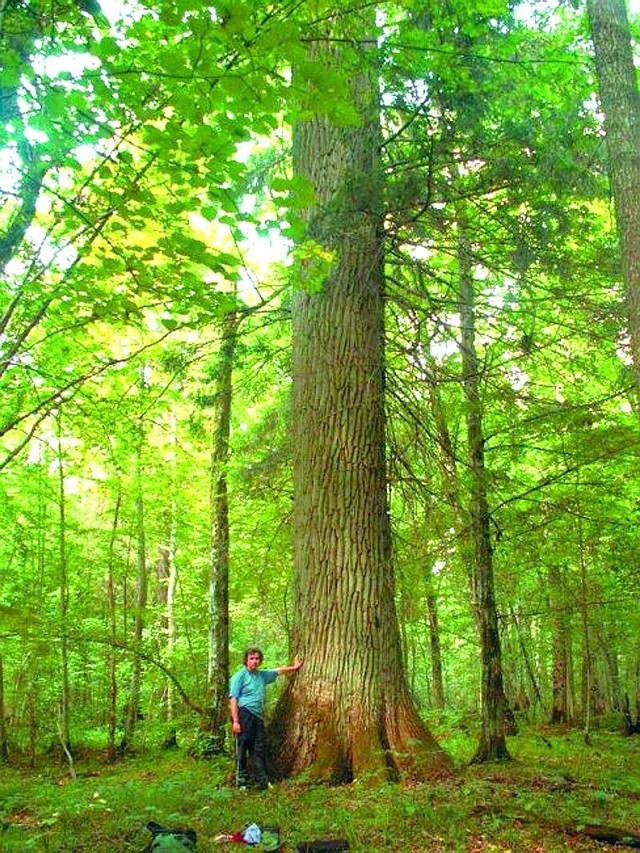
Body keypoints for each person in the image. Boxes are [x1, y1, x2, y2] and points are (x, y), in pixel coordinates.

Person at [229, 646, 303, 790]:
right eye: (251, 658)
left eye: (257, 658)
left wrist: (294, 668)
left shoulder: (262, 675)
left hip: (258, 717)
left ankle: (263, 781)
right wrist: (236, 721)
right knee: (242, 746)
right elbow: (233, 700)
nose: (254, 661)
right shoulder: (240, 676)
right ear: (246, 660)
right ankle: (242, 782)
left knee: (259, 748)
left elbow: (277, 671)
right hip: (244, 714)